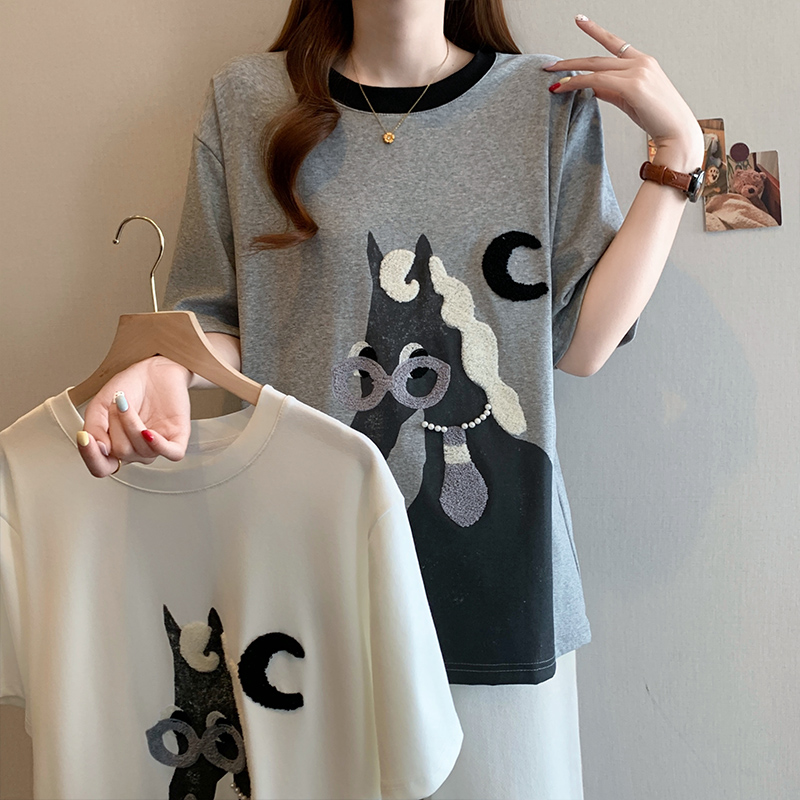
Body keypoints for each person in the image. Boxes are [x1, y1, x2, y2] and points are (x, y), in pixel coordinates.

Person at [74, 1, 704, 797]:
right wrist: (165, 368)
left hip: (499, 576)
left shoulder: (543, 102)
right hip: (307, 565)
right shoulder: (248, 101)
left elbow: (579, 345)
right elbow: (219, 318)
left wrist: (678, 153)